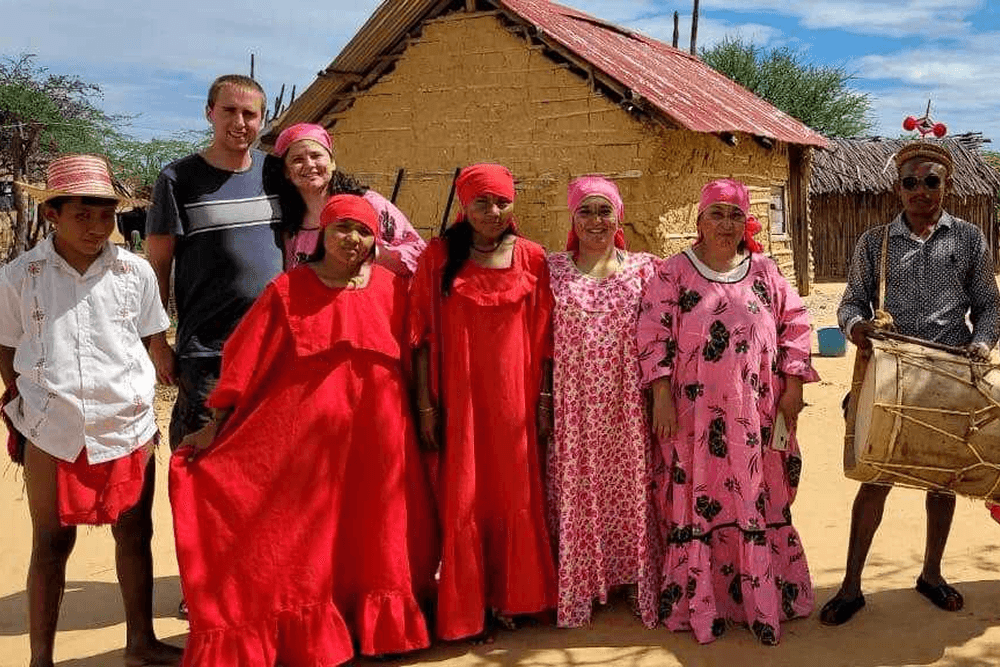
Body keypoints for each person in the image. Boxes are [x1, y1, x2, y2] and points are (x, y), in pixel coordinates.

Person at [169, 194, 439, 665]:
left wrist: (423, 415)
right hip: (304, 444)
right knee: (306, 537)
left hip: (379, 441)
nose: (352, 240)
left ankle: (377, 628)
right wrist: (217, 425)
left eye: (362, 231)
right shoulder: (288, 290)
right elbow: (243, 360)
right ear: (322, 235)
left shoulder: (393, 290)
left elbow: (417, 355)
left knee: (375, 530)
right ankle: (313, 632)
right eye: (342, 229)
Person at [0, 154, 181, 667]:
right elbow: (7, 346)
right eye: (83, 214)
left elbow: (150, 337)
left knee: (135, 531)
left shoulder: (135, 271)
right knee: (51, 541)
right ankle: (41, 658)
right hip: (51, 427)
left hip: (127, 422)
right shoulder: (20, 276)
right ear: (53, 214)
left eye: (105, 215)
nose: (97, 226)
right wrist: (22, 400)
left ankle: (141, 643)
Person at [820, 141, 1000, 625]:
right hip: (888, 376)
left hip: (950, 378)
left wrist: (982, 344)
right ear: (898, 188)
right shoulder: (873, 242)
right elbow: (851, 303)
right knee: (874, 480)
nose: (921, 190)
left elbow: (989, 304)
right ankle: (852, 586)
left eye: (931, 181)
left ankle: (931, 575)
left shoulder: (969, 239)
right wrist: (859, 330)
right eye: (911, 182)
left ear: (948, 185)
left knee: (944, 481)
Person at [636, 179, 818, 645]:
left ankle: (761, 598)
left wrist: (793, 384)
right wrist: (660, 396)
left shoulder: (764, 270)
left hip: (756, 412)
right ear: (698, 222)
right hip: (692, 414)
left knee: (757, 492)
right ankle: (704, 603)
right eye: (716, 214)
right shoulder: (673, 272)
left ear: (746, 223)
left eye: (735, 215)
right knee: (700, 495)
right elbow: (653, 334)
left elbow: (795, 323)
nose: (725, 223)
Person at [410, 163, 557, 641]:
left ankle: (514, 598)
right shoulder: (437, 257)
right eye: (481, 202)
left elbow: (547, 338)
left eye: (501, 202)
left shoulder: (532, 258)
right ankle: (469, 605)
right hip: (460, 404)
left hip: (514, 403)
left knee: (515, 494)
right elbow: (422, 336)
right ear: (463, 205)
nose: (492, 212)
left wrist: (542, 400)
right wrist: (426, 405)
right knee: (464, 499)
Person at [545, 175, 661, 628]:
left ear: (619, 217)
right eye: (586, 211)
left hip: (627, 402)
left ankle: (635, 580)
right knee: (577, 491)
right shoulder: (550, 268)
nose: (596, 221)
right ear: (573, 217)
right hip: (573, 405)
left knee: (633, 490)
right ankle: (582, 583)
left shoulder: (645, 269)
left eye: (604, 211)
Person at [145, 74, 284, 452]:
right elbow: (156, 264)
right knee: (201, 458)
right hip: (208, 351)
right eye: (229, 111)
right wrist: (158, 342)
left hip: (273, 349)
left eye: (249, 114)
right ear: (210, 113)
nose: (240, 123)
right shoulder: (178, 178)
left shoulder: (275, 174)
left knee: (266, 458)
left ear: (262, 118)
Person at [273, 122, 426, 273]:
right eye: (297, 160)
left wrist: (370, 253)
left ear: (332, 163)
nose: (309, 164)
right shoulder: (288, 226)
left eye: (316, 155)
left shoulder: (369, 204)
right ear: (286, 171)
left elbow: (419, 254)